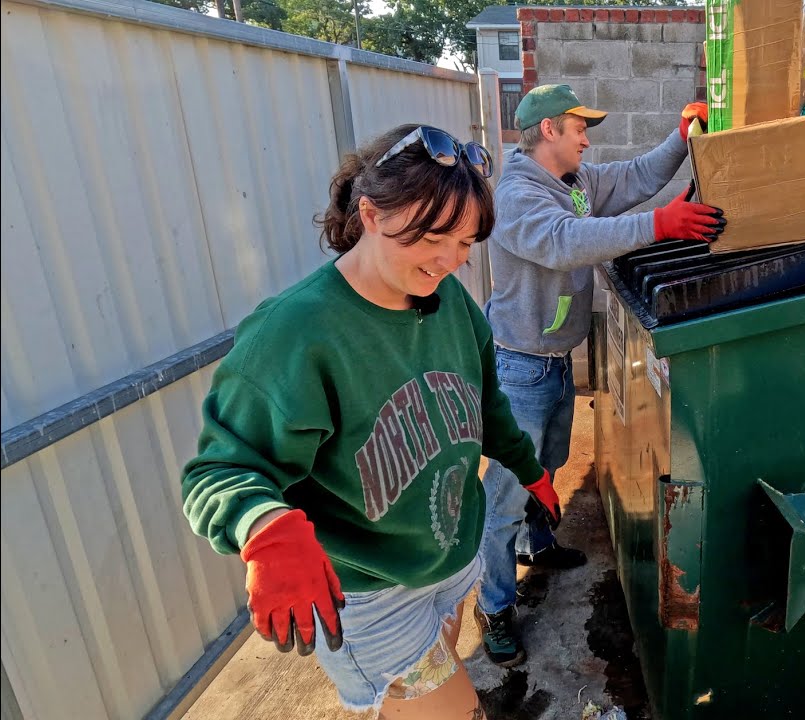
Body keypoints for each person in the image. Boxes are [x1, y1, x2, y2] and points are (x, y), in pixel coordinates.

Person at [180, 123, 563, 718]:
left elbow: (487, 405)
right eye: (434, 236)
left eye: (465, 244)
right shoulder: (297, 332)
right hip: (373, 592)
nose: (449, 261)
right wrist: (265, 528)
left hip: (449, 563)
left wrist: (527, 468)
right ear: (371, 213)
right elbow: (219, 471)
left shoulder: (451, 302)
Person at [474, 84, 725, 667]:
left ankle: (537, 546)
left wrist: (682, 136)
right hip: (520, 364)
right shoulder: (514, 195)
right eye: (577, 128)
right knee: (506, 494)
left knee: (550, 464)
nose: (587, 138)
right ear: (547, 133)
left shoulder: (575, 185)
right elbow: (566, 243)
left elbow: (636, 176)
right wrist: (658, 226)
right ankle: (495, 604)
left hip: (557, 359)